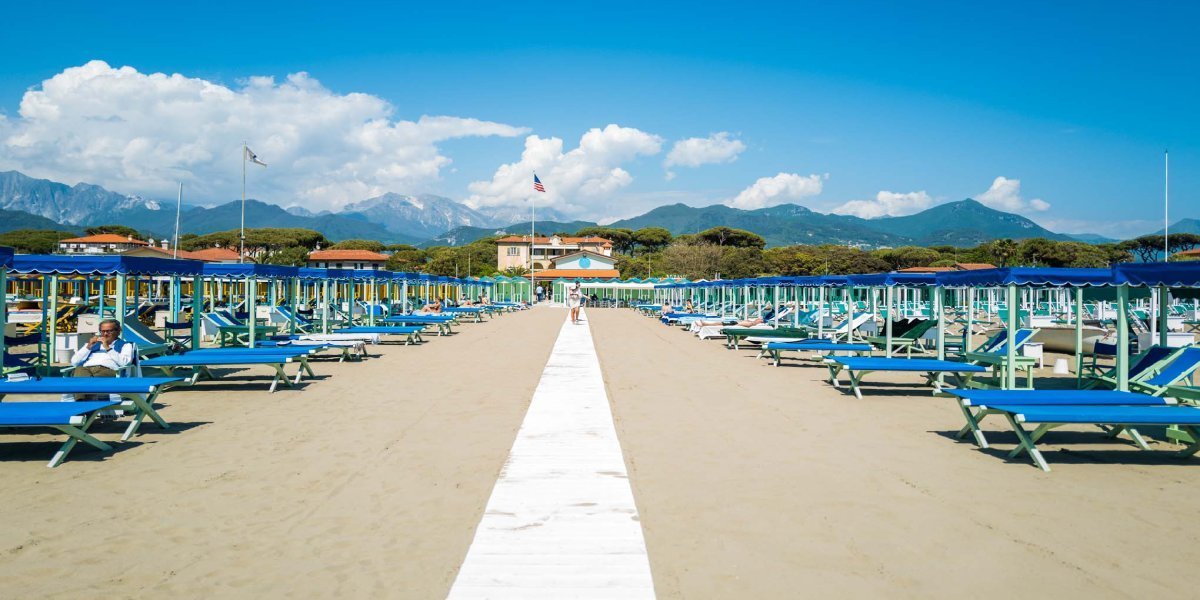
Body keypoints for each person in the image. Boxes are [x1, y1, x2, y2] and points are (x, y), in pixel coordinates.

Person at [70, 319, 135, 401]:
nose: (105, 334)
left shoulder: (125, 345)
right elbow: (74, 362)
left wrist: (108, 347)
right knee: (79, 371)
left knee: (87, 383)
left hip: (107, 370)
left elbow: (124, 362)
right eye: (102, 331)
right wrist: (88, 346)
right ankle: (84, 404)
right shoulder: (92, 345)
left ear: (118, 331)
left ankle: (83, 405)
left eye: (109, 331)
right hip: (86, 369)